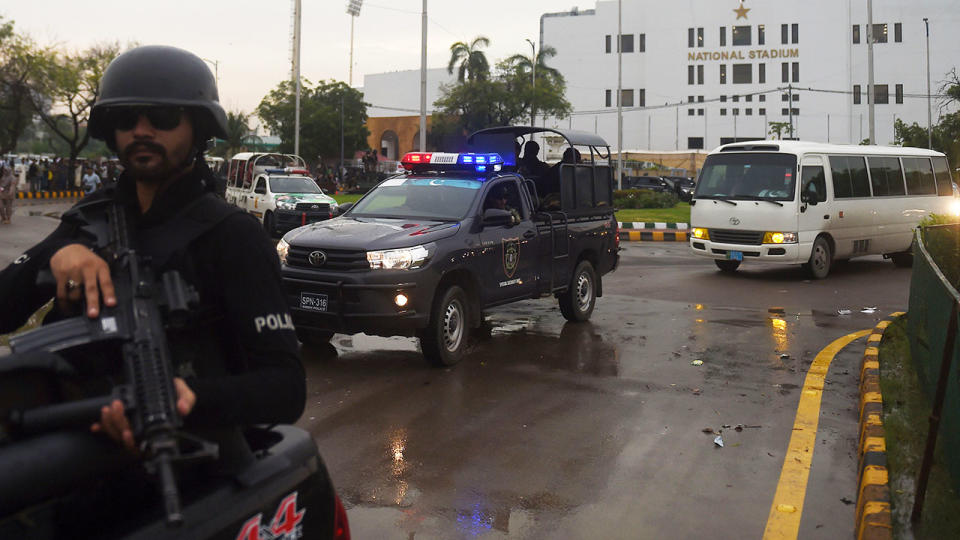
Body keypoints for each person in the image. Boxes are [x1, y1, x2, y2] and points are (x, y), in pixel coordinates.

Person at [0, 45, 305, 533]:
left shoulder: (232, 237)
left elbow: (285, 388)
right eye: (126, 118)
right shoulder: (90, 219)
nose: (142, 130)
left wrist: (188, 398)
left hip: (187, 469)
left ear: (198, 129)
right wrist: (54, 257)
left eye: (162, 116)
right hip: (76, 449)